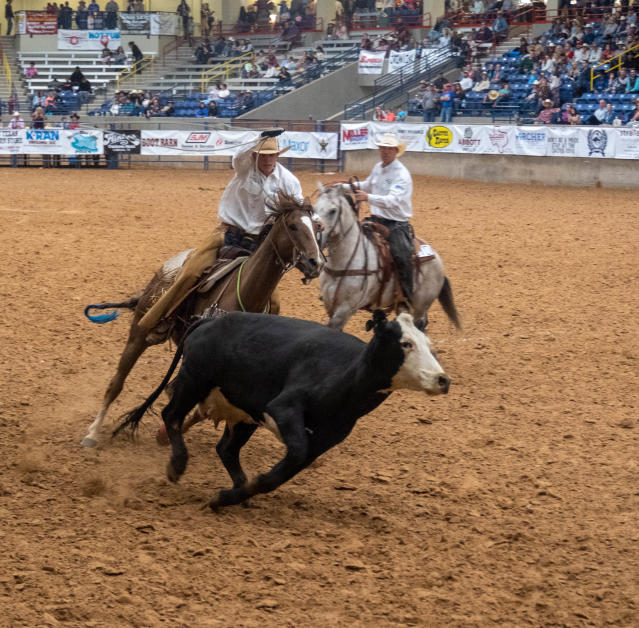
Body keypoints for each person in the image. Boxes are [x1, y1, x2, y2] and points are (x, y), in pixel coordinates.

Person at [138, 130, 302, 331]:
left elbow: (298, 211)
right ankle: (162, 319)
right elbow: (239, 155)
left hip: (260, 245)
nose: (268, 159)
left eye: (272, 154)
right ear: (254, 155)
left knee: (274, 303)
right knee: (191, 273)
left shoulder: (289, 181)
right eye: (263, 155)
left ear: (278, 156)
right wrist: (258, 138)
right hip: (227, 236)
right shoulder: (244, 168)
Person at [353, 132, 415, 304]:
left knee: (402, 256)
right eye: (382, 148)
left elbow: (393, 201)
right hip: (376, 220)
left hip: (396, 224)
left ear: (396, 151)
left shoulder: (401, 174)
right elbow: (367, 185)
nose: (385, 151)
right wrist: (345, 186)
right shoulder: (378, 167)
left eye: (389, 148)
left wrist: (368, 197)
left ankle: (408, 298)